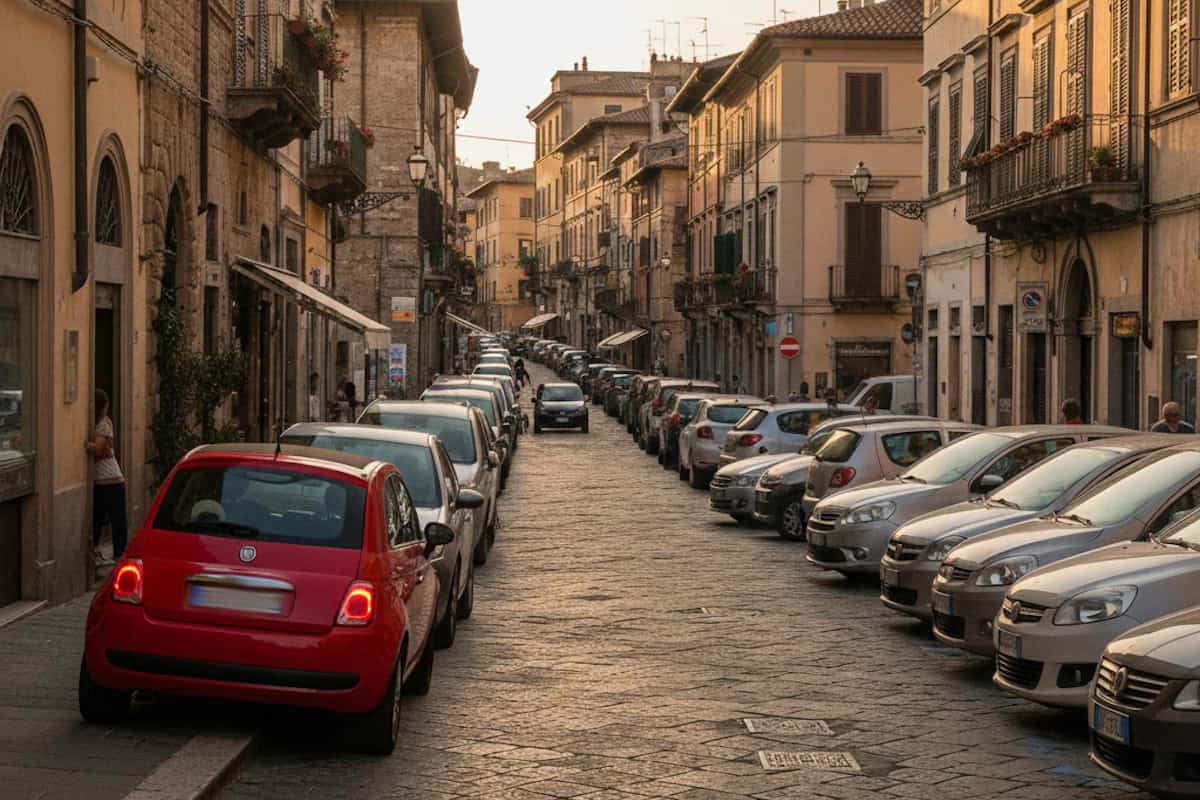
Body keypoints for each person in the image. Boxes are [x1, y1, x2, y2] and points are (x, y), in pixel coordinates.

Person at [87, 389, 128, 565]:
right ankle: (97, 550)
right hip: (103, 481)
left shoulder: (104, 423)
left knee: (116, 518)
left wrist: (89, 446)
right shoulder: (98, 423)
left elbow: (99, 449)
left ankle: (120, 553)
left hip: (111, 480)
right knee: (98, 517)